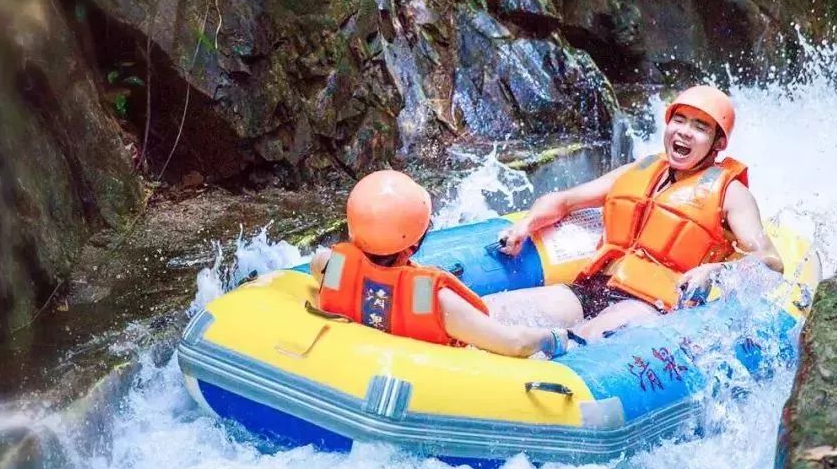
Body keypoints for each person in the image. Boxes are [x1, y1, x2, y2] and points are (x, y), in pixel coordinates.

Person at [487, 84, 784, 340]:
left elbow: (770, 262)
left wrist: (714, 272)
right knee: (489, 312)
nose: (685, 132)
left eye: (700, 127)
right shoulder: (639, 171)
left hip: (651, 304)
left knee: (582, 341)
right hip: (592, 288)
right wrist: (524, 225)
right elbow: (564, 201)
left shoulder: (731, 193)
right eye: (679, 121)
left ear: (718, 143)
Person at [309, 170, 580, 358]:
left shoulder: (328, 265)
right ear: (413, 244)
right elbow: (515, 344)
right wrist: (554, 338)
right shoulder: (437, 301)